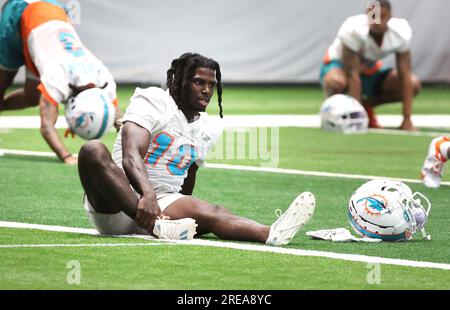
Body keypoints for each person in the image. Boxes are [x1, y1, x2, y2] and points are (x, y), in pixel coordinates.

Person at [77, 52, 315, 245]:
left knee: (214, 211)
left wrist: (186, 212)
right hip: (117, 204)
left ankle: (270, 233)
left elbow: (187, 181)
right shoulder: (154, 101)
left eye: (212, 84)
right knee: (93, 151)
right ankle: (156, 227)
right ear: (179, 81)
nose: (207, 90)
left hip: (163, 205)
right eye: (199, 82)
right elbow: (131, 155)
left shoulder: (208, 128)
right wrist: (147, 195)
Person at [0, 0, 122, 164]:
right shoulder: (58, 76)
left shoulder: (103, 77)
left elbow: (120, 121)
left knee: (32, 97)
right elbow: (47, 126)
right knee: (3, 82)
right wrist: (66, 156)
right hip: (21, 10)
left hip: (51, 12)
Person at [320, 0, 421, 131]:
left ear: (390, 16)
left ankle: (368, 106)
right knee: (336, 82)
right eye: (372, 17)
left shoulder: (400, 32)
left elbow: (405, 74)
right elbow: (353, 75)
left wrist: (407, 119)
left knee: (413, 85)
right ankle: (332, 115)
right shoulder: (353, 29)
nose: (376, 21)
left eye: (381, 16)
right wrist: (357, 119)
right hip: (340, 66)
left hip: (370, 70)